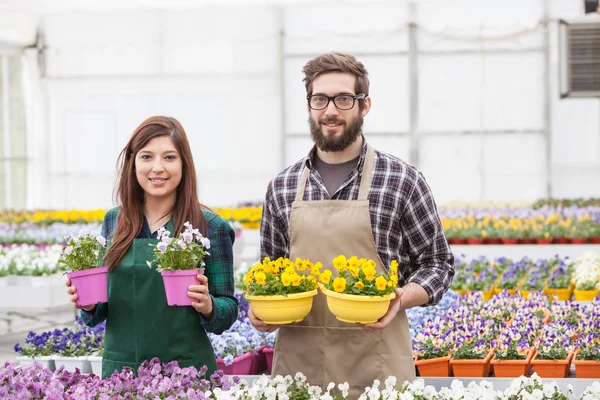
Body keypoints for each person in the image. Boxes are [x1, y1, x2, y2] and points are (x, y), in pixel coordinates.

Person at [249, 52, 455, 397]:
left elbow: (438, 264)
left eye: (344, 99)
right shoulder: (282, 187)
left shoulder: (401, 180)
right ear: (309, 105)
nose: (331, 110)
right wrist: (264, 312)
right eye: (320, 99)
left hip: (378, 365)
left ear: (365, 105)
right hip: (300, 366)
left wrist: (401, 297)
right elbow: (270, 272)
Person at [65, 116, 238, 378]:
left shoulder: (210, 226)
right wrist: (87, 304)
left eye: (169, 157)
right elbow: (99, 311)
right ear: (133, 164)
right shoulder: (115, 221)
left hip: (186, 377)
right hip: (121, 375)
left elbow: (228, 308)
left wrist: (209, 306)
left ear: (184, 164)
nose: (157, 168)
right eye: (147, 157)